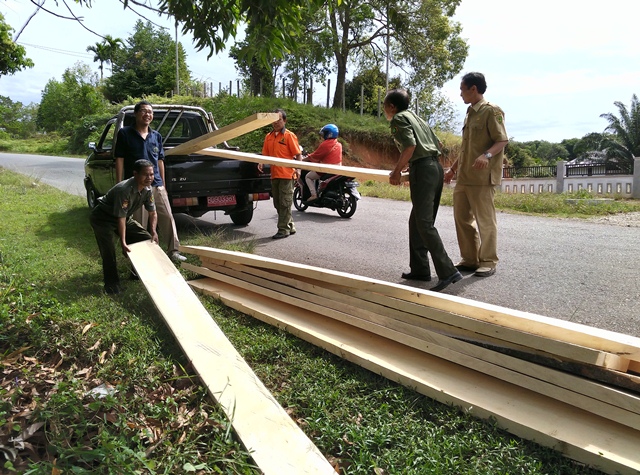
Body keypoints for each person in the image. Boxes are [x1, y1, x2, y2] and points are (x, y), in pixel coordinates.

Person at [384, 88, 462, 293]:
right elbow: (438, 143)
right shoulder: (417, 117)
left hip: (424, 171)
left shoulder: (399, 118)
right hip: (435, 167)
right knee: (417, 221)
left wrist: (397, 172)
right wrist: (417, 160)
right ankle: (420, 269)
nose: (385, 110)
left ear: (391, 106)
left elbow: (409, 145)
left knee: (425, 224)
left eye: (384, 106)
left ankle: (448, 271)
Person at [444, 72, 509, 277]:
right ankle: (470, 259)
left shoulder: (492, 111)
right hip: (464, 177)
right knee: (462, 218)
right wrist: (452, 169)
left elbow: (502, 140)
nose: (460, 94)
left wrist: (486, 155)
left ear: (474, 89)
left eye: (463, 89)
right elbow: (466, 148)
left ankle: (488, 261)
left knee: (485, 220)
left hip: (482, 178)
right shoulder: (470, 112)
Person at [114, 100, 186, 263]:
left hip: (157, 184)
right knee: (139, 222)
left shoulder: (156, 136)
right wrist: (119, 185)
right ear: (136, 114)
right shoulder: (125, 133)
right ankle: (140, 256)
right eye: (144, 111)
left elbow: (160, 161)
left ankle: (173, 251)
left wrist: (163, 186)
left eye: (150, 112)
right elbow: (120, 159)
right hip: (136, 186)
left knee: (167, 217)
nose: (148, 115)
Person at [90, 159, 159, 295]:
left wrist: (154, 231)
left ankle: (136, 273)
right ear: (135, 174)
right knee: (109, 252)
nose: (149, 178)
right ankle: (111, 286)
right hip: (103, 218)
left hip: (123, 218)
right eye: (146, 175)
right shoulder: (125, 190)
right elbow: (120, 218)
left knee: (145, 239)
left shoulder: (147, 189)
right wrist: (123, 242)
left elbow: (153, 212)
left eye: (151, 174)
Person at [260, 109, 303, 239]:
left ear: (284, 121)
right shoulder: (269, 137)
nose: (276, 122)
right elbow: (265, 155)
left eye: (279, 120)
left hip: (286, 174)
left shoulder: (289, 136)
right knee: (278, 203)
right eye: (274, 120)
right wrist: (260, 162)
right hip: (274, 174)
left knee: (285, 203)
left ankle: (283, 230)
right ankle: (290, 225)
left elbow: (298, 155)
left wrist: (298, 169)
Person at [302, 123, 343, 201]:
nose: (322, 136)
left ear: (328, 134)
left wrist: (302, 160)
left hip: (326, 169)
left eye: (324, 133)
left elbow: (315, 155)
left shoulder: (325, 144)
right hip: (338, 169)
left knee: (308, 177)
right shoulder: (338, 144)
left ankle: (314, 195)